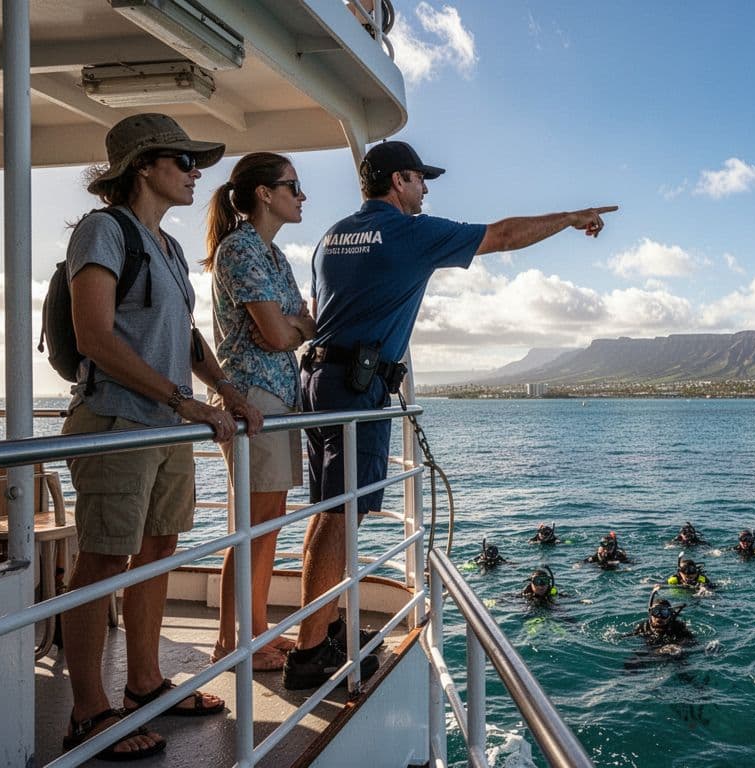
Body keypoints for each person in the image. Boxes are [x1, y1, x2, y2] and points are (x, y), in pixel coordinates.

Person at [290, 139, 615, 690]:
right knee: (345, 514)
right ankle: (311, 652)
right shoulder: (408, 232)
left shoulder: (331, 237)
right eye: (420, 178)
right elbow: (503, 235)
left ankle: (320, 629)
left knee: (328, 510)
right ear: (398, 182)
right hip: (356, 387)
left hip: (319, 382)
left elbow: (322, 312)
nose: (426, 188)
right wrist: (571, 217)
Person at [58, 113, 264, 761]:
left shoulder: (169, 247)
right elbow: (94, 334)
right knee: (101, 562)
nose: (195, 172)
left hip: (167, 425)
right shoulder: (104, 231)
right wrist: (183, 400)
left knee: (159, 550)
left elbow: (189, 335)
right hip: (118, 424)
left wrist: (221, 388)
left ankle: (144, 684)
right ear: (144, 166)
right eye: (183, 160)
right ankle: (89, 710)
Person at [203, 152, 314, 672]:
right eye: (293, 186)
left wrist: (287, 325)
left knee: (268, 521)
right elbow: (276, 332)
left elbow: (305, 323)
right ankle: (233, 642)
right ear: (265, 194)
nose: (302, 196)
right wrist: (285, 326)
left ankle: (255, 629)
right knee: (253, 523)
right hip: (253, 397)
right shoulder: (239, 250)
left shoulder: (274, 257)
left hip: (277, 397)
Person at [628, 587, 694, 645]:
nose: (659, 617)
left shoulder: (678, 627)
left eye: (664, 613)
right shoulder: (644, 627)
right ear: (650, 614)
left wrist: (678, 646)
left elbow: (691, 642)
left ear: (670, 615)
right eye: (655, 612)